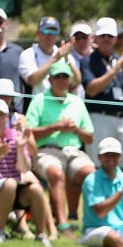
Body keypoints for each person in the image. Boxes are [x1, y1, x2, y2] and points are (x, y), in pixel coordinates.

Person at [0, 98, 52, 247]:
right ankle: (0, 231)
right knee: (10, 183)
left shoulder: (16, 137)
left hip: (11, 189)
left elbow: (24, 169)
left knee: (36, 188)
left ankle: (41, 234)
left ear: (6, 117)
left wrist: (20, 148)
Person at [26, 60, 96, 233]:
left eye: (65, 77)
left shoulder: (77, 102)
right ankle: (63, 223)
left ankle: (82, 218)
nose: (62, 80)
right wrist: (55, 127)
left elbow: (89, 137)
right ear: (50, 80)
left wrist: (76, 129)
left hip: (73, 150)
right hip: (45, 150)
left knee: (90, 173)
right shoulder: (39, 100)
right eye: (58, 77)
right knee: (56, 173)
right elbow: (29, 132)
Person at [81, 17, 123, 168]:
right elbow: (92, 89)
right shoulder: (88, 61)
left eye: (110, 36)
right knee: (98, 162)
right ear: (95, 38)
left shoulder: (121, 60)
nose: (106, 39)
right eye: (103, 36)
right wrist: (115, 69)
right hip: (100, 117)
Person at [18, 16, 72, 98]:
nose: (50, 36)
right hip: (38, 105)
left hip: (61, 105)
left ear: (58, 35)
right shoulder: (27, 54)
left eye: (54, 32)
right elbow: (32, 80)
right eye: (46, 31)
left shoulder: (63, 53)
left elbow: (75, 82)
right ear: (38, 33)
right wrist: (56, 58)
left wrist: (66, 58)